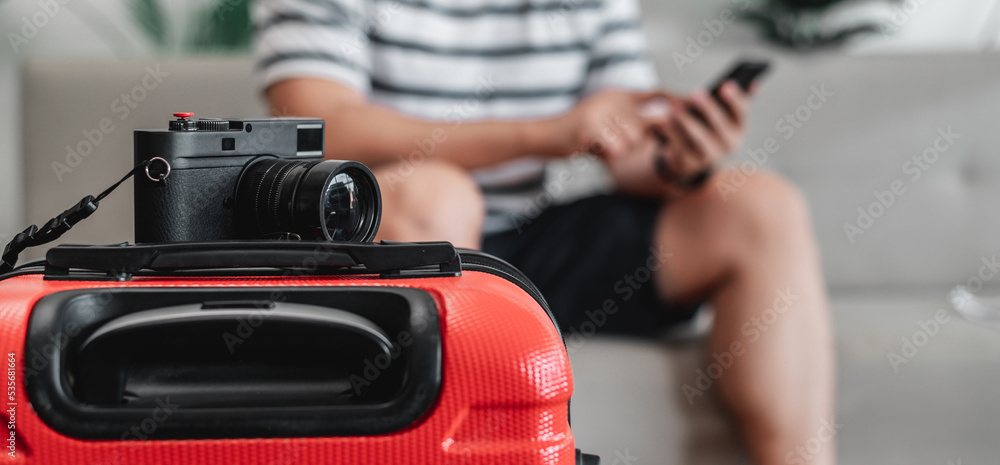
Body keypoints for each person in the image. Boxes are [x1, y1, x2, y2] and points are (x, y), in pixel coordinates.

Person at [253, 0, 835, 463]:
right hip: (407, 233)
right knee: (438, 195)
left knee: (763, 205)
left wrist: (677, 159)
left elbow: (625, 141)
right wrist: (542, 134)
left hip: (532, 242)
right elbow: (320, 126)